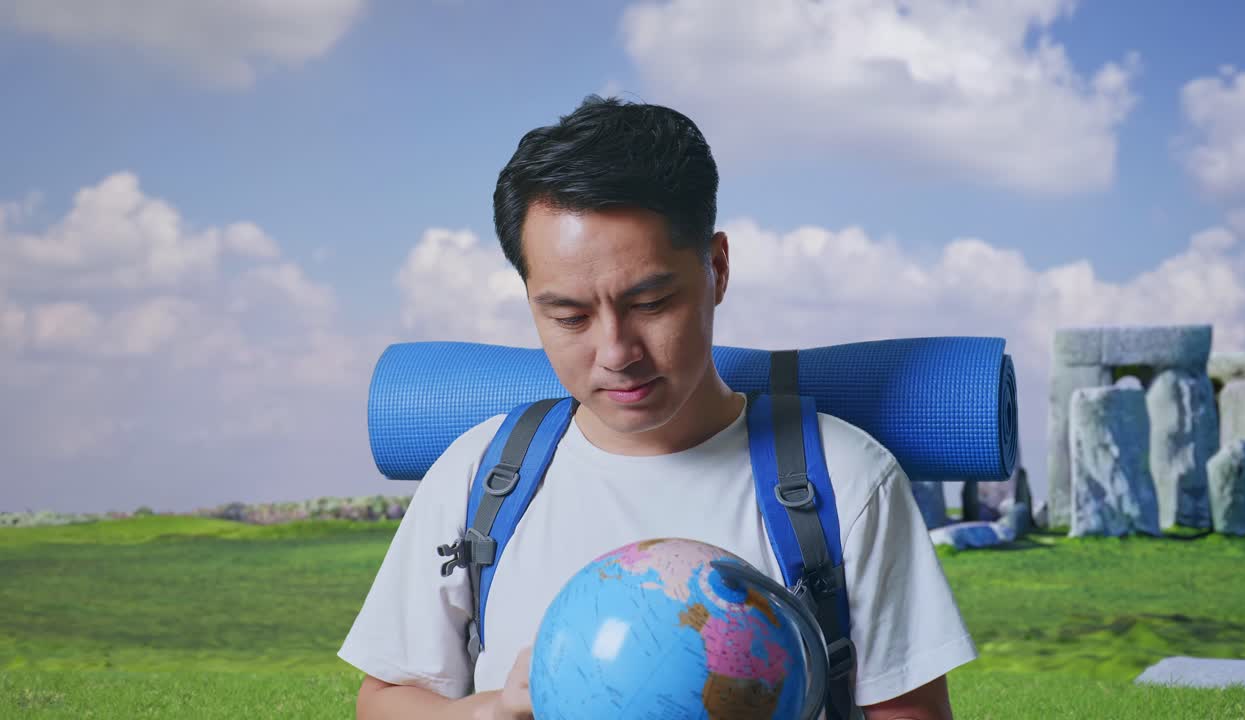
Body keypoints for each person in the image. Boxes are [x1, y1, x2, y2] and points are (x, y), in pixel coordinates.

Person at [338, 95, 978, 719]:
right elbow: (385, 700)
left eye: (650, 304)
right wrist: (491, 712)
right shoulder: (480, 476)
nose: (616, 351)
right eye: (569, 315)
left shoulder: (844, 481)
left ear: (718, 268)